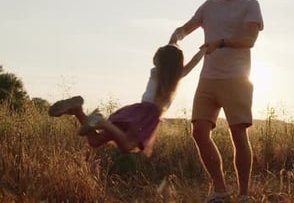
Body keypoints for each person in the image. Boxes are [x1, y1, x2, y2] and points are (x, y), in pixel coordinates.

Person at [169, 0, 264, 203]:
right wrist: (174, 38)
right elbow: (187, 28)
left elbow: (249, 40)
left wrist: (220, 42)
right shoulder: (209, 6)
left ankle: (243, 195)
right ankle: (220, 190)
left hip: (237, 79)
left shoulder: (250, 5)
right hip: (208, 79)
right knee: (199, 132)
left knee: (238, 135)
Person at [48, 44, 206, 156]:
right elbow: (191, 64)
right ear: (177, 64)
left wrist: (175, 40)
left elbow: (170, 56)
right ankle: (102, 122)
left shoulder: (155, 72)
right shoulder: (176, 77)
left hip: (136, 111)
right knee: (128, 146)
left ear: (159, 60)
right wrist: (204, 50)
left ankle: (78, 110)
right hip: (146, 116)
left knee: (94, 141)